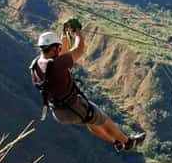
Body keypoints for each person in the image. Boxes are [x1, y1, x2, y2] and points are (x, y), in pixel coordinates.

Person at [30, 23, 145, 151]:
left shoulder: (36, 65)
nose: (60, 49)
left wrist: (64, 35)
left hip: (58, 112)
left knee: (90, 120)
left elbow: (60, 56)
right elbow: (79, 49)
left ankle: (116, 142)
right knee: (104, 120)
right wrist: (78, 32)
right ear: (54, 48)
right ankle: (128, 142)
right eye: (58, 47)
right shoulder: (59, 63)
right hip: (74, 107)